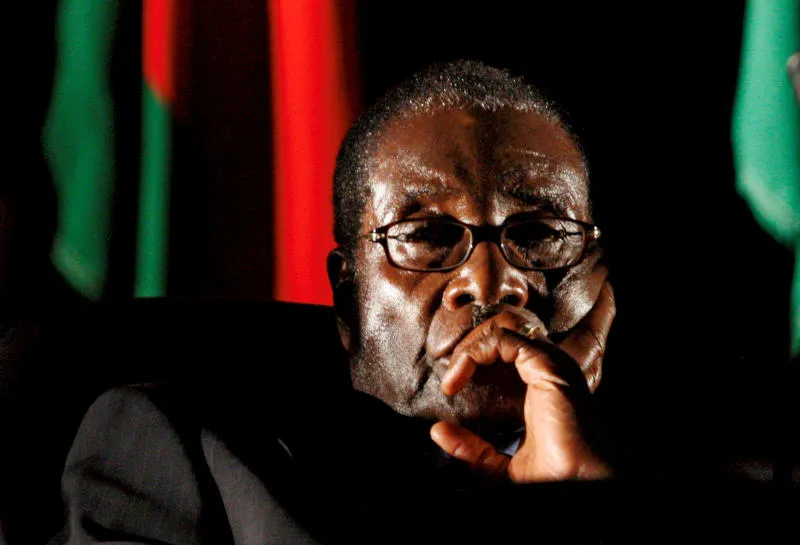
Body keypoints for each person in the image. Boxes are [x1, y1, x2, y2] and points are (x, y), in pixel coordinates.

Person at [49, 61, 618, 545]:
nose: (492, 282)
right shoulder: (178, 446)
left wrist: (576, 510)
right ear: (347, 297)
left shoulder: (653, 475)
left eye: (541, 233)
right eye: (426, 235)